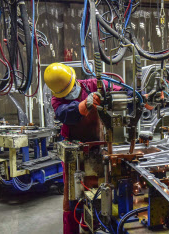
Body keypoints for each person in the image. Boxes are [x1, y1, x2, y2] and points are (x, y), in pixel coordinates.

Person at [44, 63, 122, 234]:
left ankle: (93, 225)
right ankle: (71, 230)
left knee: (101, 190)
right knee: (73, 196)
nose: (70, 94)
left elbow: (121, 91)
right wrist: (83, 105)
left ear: (75, 80)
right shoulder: (57, 99)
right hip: (75, 151)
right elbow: (64, 113)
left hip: (99, 145)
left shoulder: (94, 85)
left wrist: (139, 98)